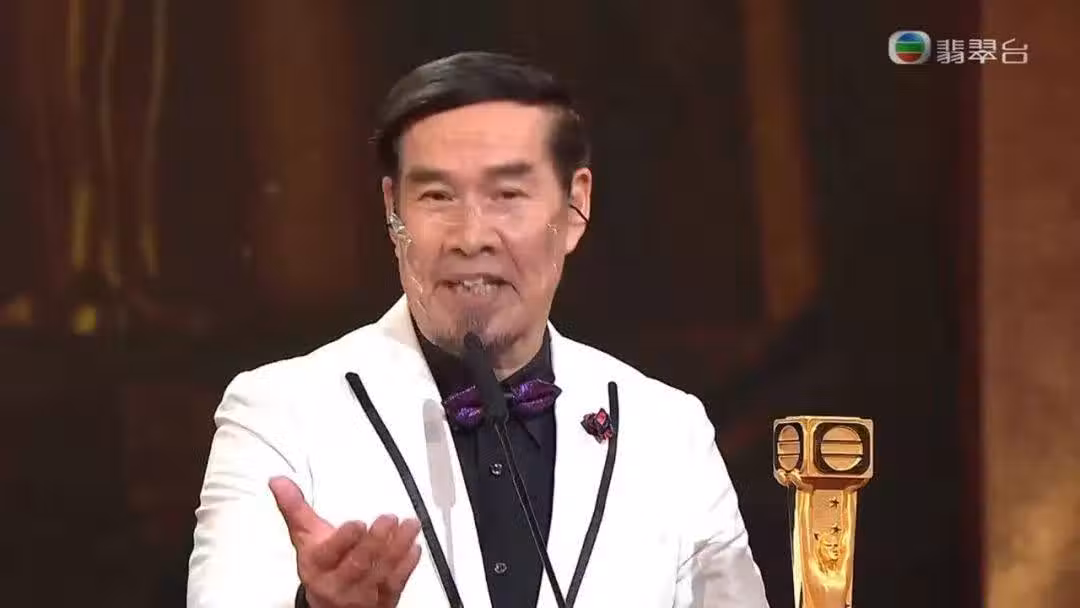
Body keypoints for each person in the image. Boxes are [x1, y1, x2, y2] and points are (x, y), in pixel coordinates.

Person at [187, 51, 769, 608]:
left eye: (507, 195)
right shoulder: (278, 414)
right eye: (437, 196)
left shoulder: (668, 431)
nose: (471, 237)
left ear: (575, 207)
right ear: (392, 210)